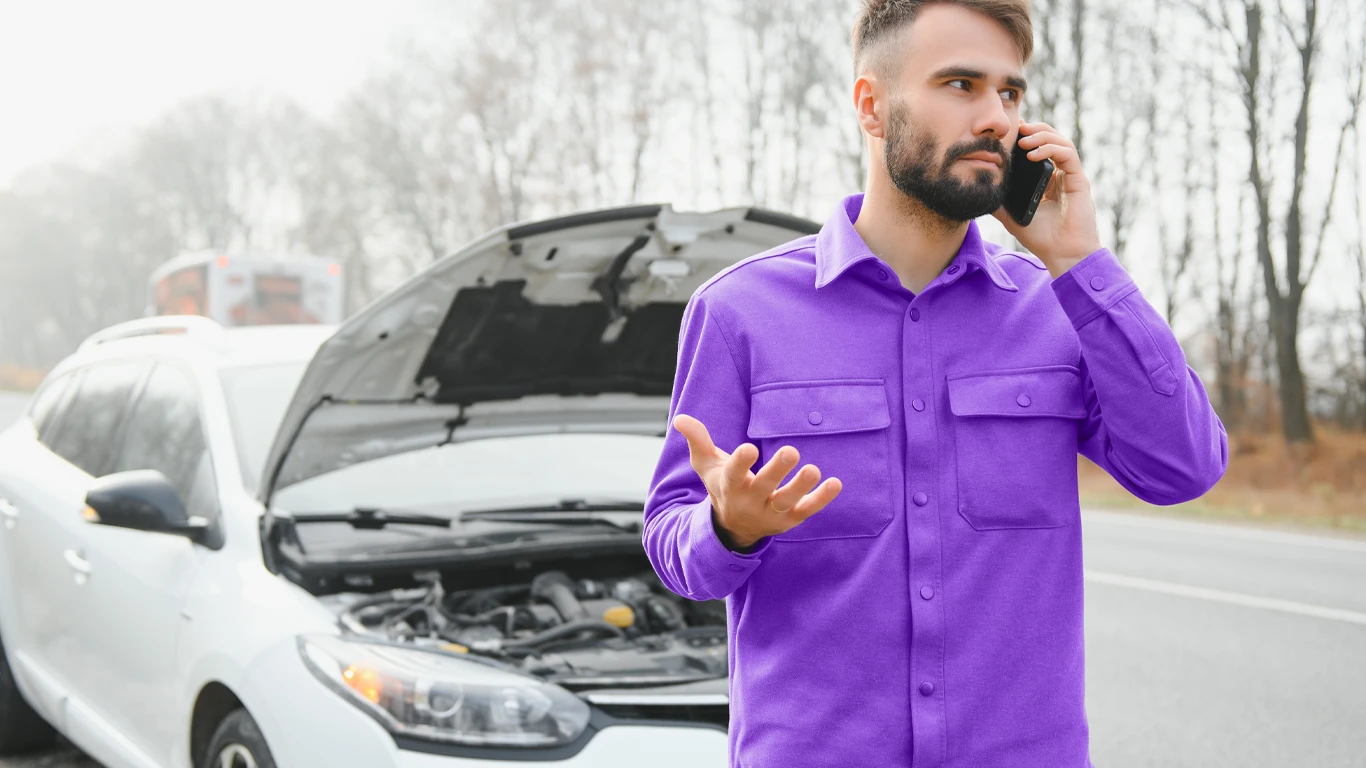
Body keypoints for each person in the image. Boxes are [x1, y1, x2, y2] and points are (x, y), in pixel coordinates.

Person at [642, 1, 1229, 766]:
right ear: (871, 106)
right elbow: (670, 540)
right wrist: (730, 527)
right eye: (960, 84)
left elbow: (1183, 469)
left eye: (1010, 93)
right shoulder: (738, 314)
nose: (996, 119)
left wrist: (1083, 264)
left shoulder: (1061, 308)